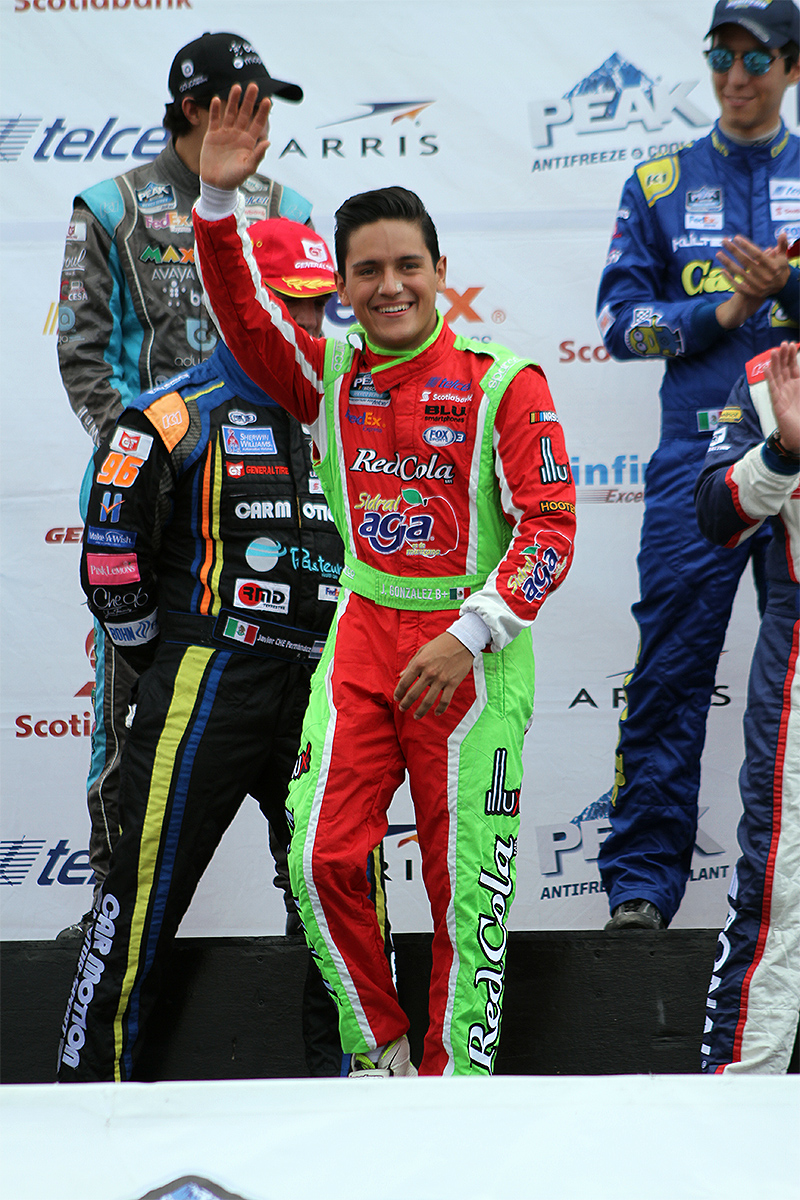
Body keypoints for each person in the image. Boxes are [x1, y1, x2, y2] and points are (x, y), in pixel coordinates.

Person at [191, 84, 576, 1077]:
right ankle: (382, 1053)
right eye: (367, 271)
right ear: (344, 286)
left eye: (408, 265)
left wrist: (473, 631)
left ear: (441, 272)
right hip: (362, 638)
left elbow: (548, 529)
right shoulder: (325, 375)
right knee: (318, 861)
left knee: (464, 889)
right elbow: (242, 317)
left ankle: (459, 1088)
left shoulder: (504, 380)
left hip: (471, 656)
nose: (389, 285)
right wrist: (218, 210)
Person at [56, 219, 379, 1081]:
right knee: (138, 908)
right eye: (291, 308)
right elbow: (111, 561)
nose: (309, 331)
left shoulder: (352, 412)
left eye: (320, 310)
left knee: (342, 906)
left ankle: (350, 1114)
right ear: (244, 305)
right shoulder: (170, 414)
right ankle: (86, 1104)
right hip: (207, 672)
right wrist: (166, 655)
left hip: (323, 691)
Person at [56, 31, 312, 939]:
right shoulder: (112, 204)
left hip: (278, 510)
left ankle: (311, 911)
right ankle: (108, 914)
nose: (266, 119)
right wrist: (150, 470)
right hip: (156, 515)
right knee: (128, 714)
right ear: (203, 108)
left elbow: (314, 353)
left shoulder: (291, 205)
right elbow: (82, 357)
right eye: (251, 100)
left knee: (299, 722)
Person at [594, 0, 800, 931]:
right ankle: (640, 890)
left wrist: (784, 286)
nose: (735, 75)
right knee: (672, 672)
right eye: (721, 56)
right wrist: (716, 315)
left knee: (789, 690)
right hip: (698, 463)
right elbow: (617, 322)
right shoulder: (660, 179)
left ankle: (780, 900)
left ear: (791, 67)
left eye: (755, 59)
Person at [694, 341, 799, 1073]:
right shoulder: (771, 377)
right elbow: (714, 513)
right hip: (797, 651)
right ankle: (738, 1099)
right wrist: (785, 447)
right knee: (778, 886)